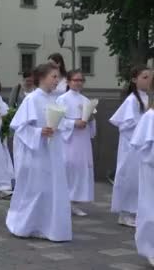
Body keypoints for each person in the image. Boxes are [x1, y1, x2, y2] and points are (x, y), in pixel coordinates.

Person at [6, 63, 72, 242]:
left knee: (50, 189)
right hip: (36, 151)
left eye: (58, 77)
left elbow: (63, 123)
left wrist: (59, 126)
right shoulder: (32, 99)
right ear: (42, 78)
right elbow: (20, 127)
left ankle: (47, 226)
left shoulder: (55, 99)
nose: (57, 81)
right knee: (36, 189)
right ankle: (24, 225)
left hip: (52, 150)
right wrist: (38, 132)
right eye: (54, 77)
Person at [109, 65, 150, 227]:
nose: (149, 80)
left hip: (143, 145)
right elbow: (124, 125)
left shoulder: (147, 98)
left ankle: (136, 211)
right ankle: (125, 212)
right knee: (130, 177)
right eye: (144, 77)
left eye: (150, 77)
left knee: (140, 179)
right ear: (135, 79)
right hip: (131, 147)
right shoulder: (132, 99)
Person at [56, 70, 96, 216]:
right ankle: (64, 201)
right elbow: (58, 120)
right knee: (68, 167)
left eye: (81, 80)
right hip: (69, 140)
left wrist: (90, 120)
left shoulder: (85, 100)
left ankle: (74, 202)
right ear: (68, 81)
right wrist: (74, 123)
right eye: (75, 80)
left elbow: (92, 124)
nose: (78, 82)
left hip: (82, 140)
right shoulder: (62, 99)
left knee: (80, 168)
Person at [129, 106, 154, 267]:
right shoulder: (150, 116)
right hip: (151, 168)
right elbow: (140, 144)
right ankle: (150, 248)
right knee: (150, 207)